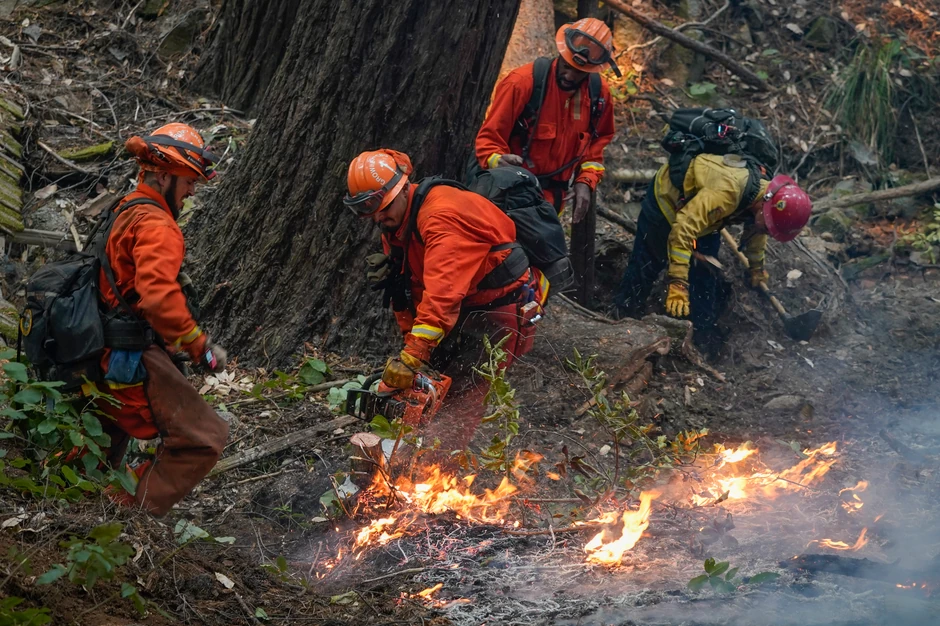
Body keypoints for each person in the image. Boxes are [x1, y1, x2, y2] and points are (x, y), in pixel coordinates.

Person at [346, 149, 548, 447]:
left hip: (499, 309)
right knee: (429, 388)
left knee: (463, 398)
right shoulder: (396, 225)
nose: (378, 216)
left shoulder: (441, 218)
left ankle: (442, 463)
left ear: (403, 188)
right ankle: (408, 453)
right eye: (368, 210)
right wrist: (412, 349)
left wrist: (413, 356)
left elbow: (442, 297)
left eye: (382, 206)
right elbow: (409, 291)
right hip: (463, 306)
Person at [87, 123, 229, 516]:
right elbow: (158, 296)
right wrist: (199, 346)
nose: (191, 192)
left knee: (101, 440)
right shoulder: (157, 225)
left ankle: (78, 507)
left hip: (99, 349)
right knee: (204, 438)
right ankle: (126, 512)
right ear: (164, 175)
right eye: (189, 181)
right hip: (129, 354)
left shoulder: (126, 208)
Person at [612, 153, 812, 353]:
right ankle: (624, 319)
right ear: (765, 208)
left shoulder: (763, 198)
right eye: (769, 227)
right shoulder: (728, 192)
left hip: (706, 217)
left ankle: (702, 340)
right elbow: (683, 229)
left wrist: (756, 267)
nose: (768, 232)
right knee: (648, 262)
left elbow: (757, 231)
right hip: (668, 201)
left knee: (705, 276)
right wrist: (678, 282)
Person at [474, 17, 617, 222]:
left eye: (579, 72)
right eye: (566, 66)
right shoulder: (521, 83)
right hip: (508, 199)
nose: (570, 76)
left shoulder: (598, 95)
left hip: (551, 205)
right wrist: (497, 160)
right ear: (561, 53)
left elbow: (596, 144)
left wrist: (586, 180)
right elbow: (489, 139)